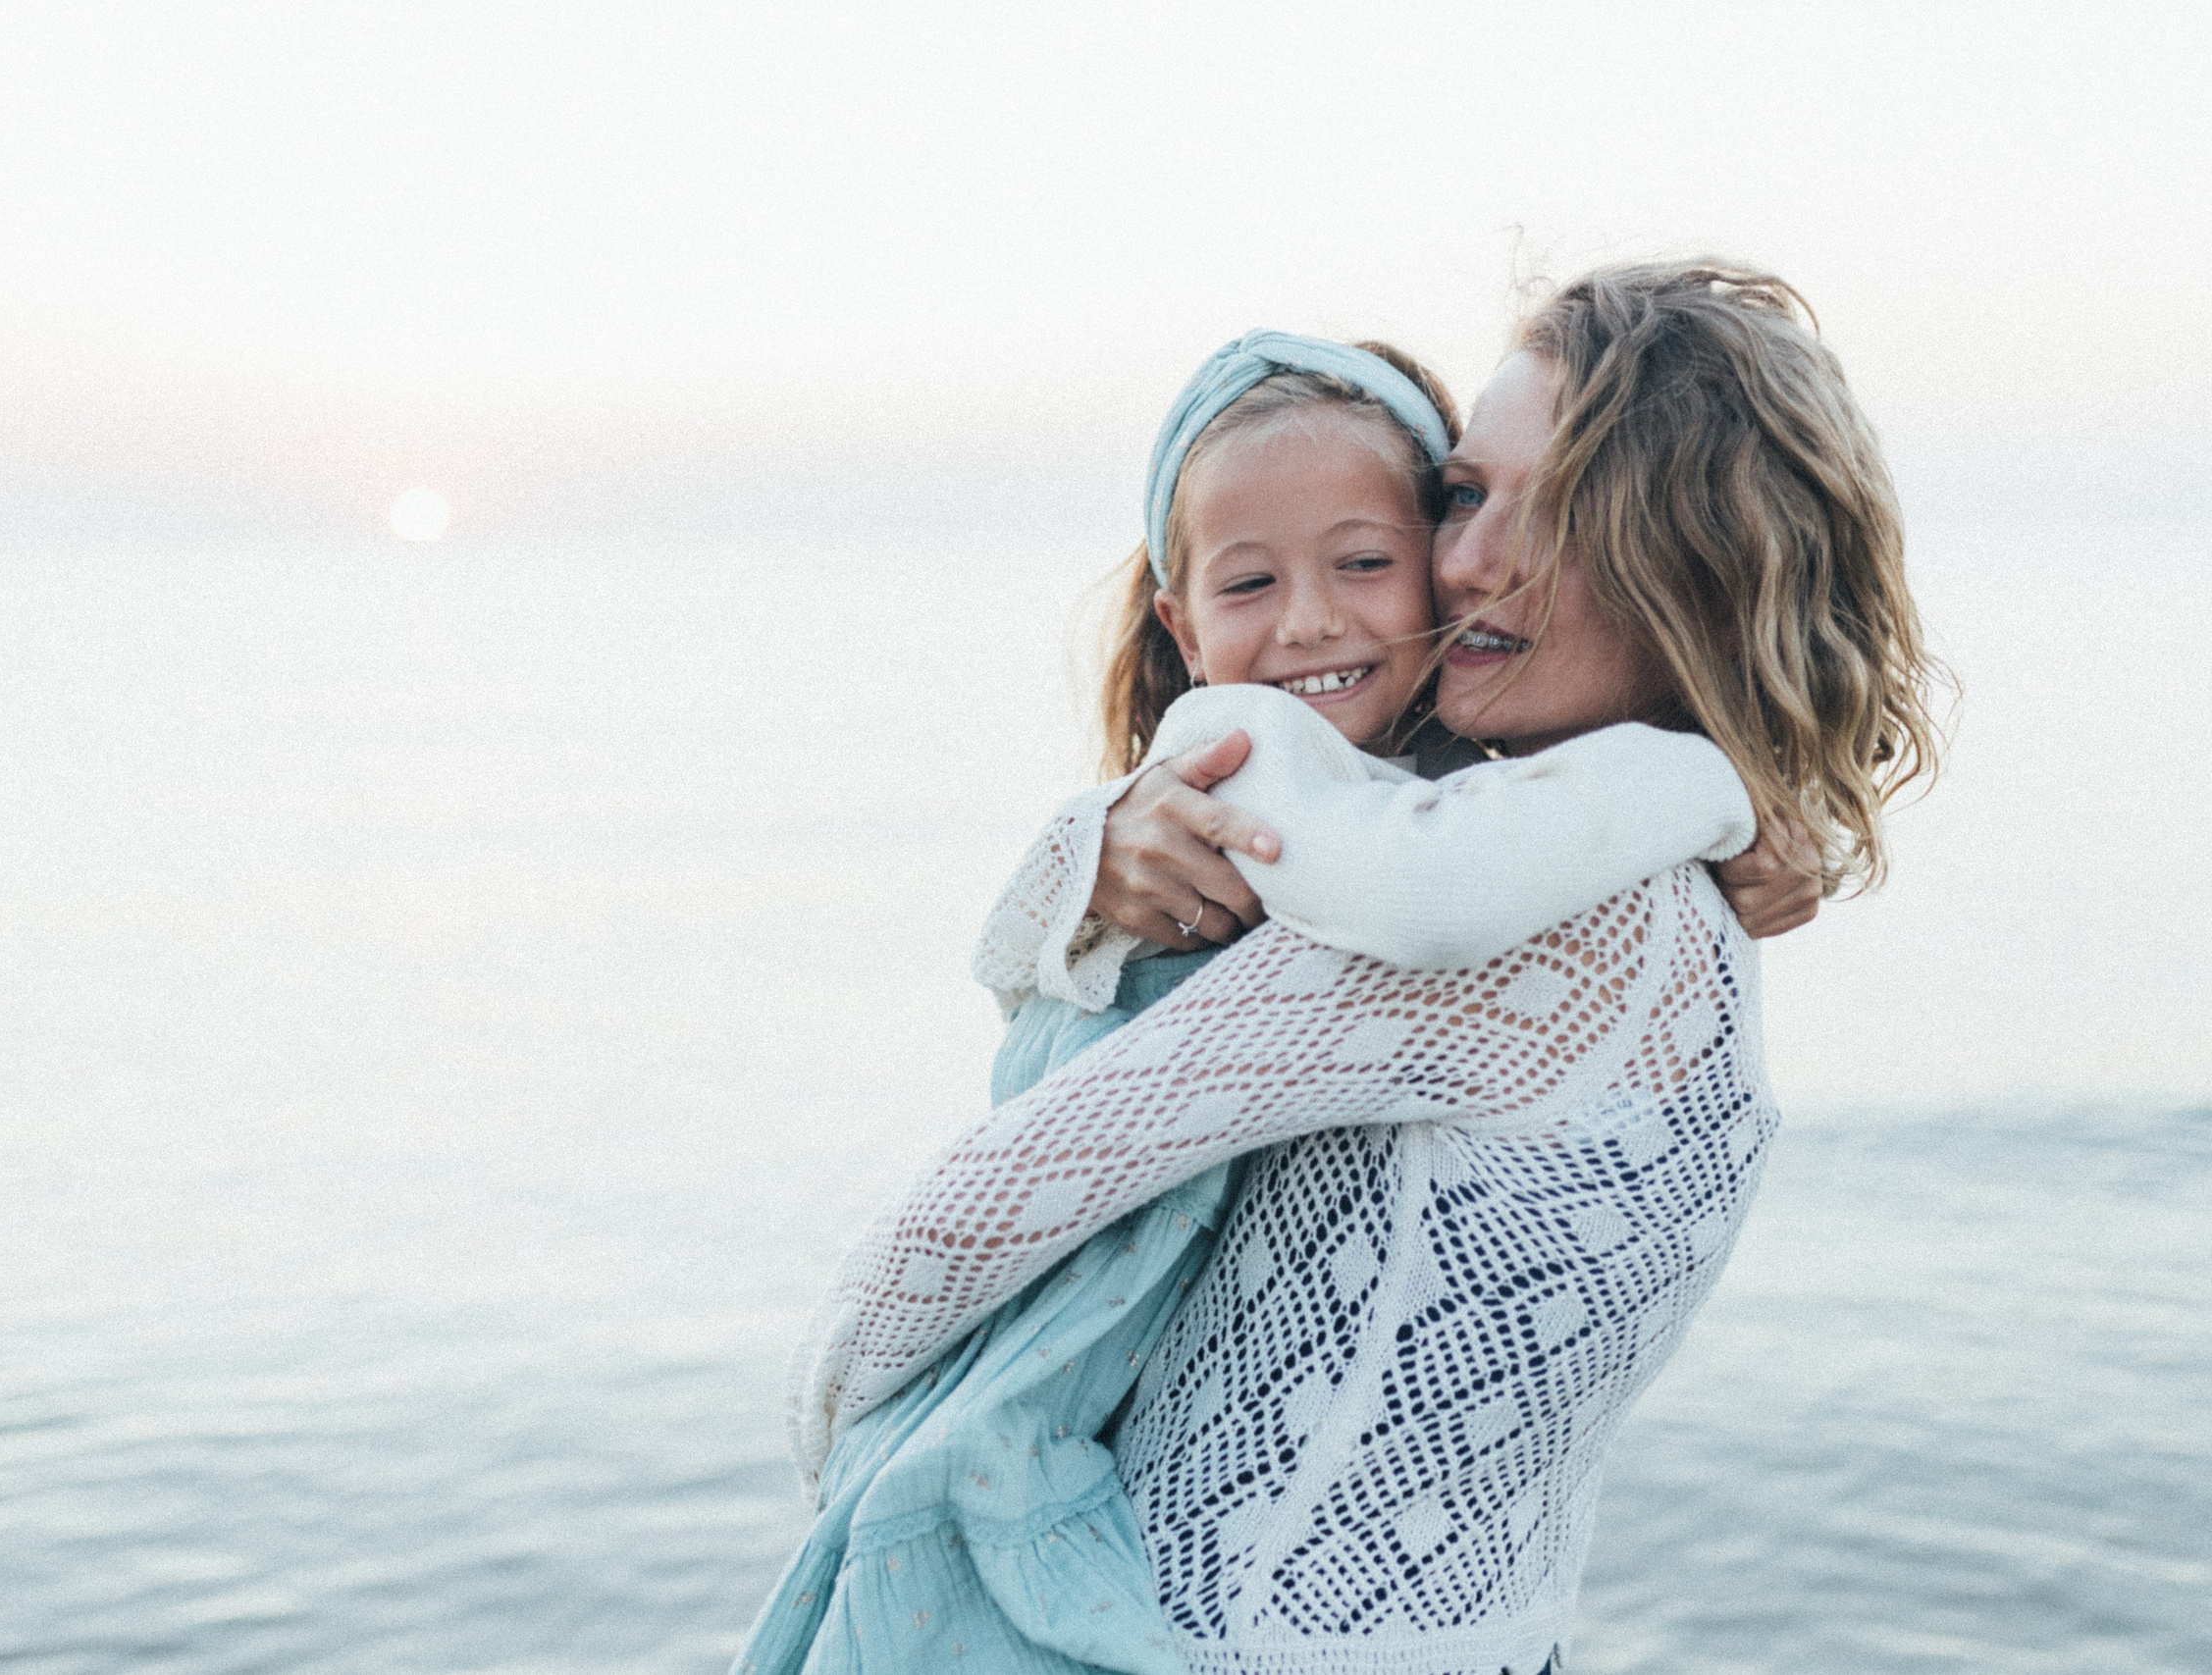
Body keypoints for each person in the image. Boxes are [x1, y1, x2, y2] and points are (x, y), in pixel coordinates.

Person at [784, 263, 1944, 1675]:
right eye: (1463, 495)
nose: (1464, 563)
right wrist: (1079, 863)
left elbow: (938, 1245)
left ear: (1692, 558)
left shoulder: (1532, 907)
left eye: (1555, 510)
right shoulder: (1602, 873)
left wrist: (847, 1447)